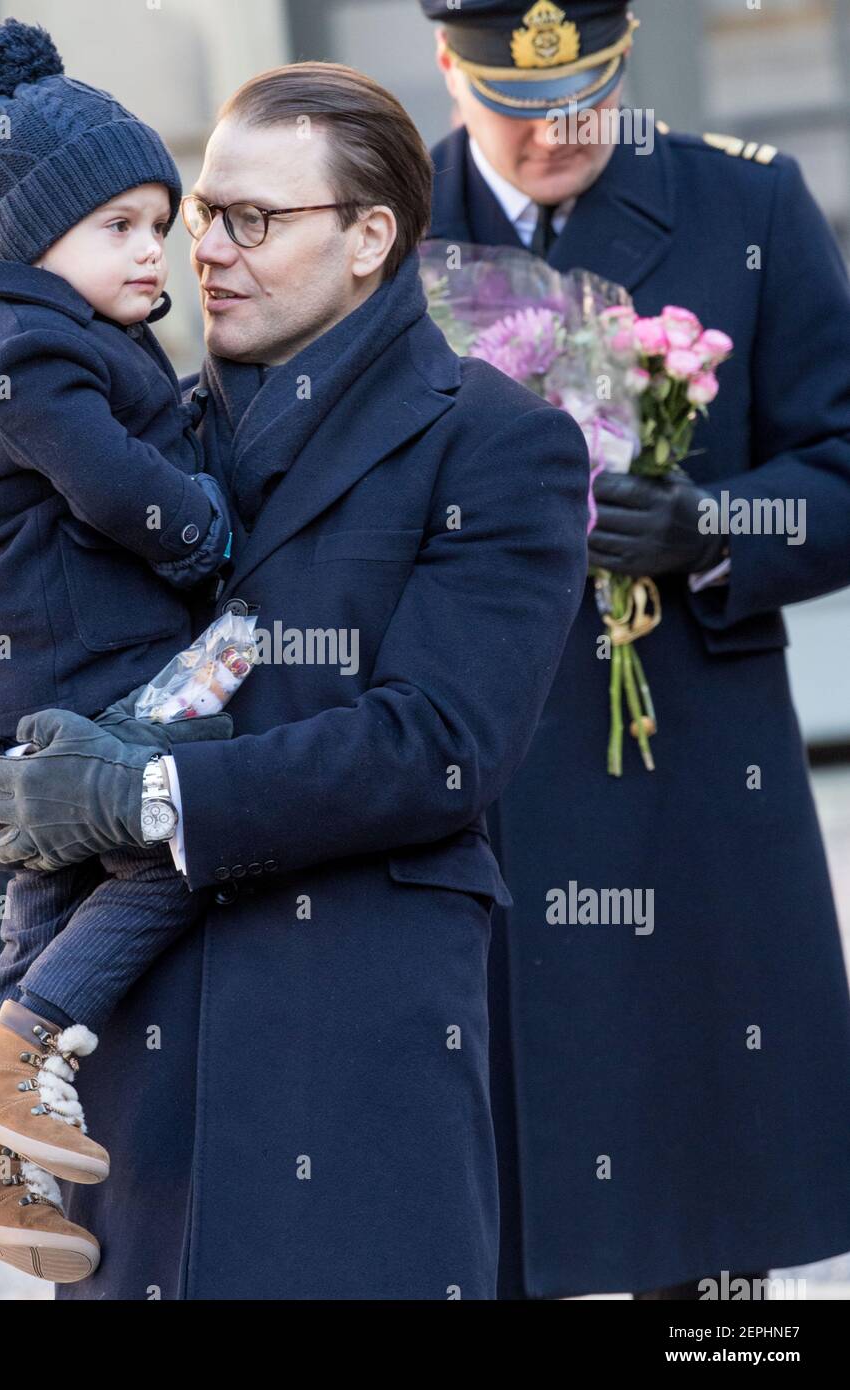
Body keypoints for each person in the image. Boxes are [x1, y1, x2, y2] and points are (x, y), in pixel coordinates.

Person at [0, 60, 590, 1299]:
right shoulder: (111, 427)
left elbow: (439, 744)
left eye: (250, 220)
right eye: (201, 214)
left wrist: (146, 794)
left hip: (349, 1054)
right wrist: (7, 791)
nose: (203, 248)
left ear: (370, 237)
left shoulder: (496, 439)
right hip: (130, 1077)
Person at [421, 0, 850, 1298]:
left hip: (686, 781)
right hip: (475, 782)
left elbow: (835, 462)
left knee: (705, 1206)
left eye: (585, 99)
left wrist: (714, 522)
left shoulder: (747, 206)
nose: (558, 131)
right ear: (447, 67)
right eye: (518, 103)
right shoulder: (376, 229)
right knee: (483, 1193)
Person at [0, 19, 241, 1283]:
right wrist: (206, 531)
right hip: (68, 683)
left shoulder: (33, 336)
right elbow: (119, 492)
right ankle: (30, 1041)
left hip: (35, 685)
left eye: (158, 222)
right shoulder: (28, 348)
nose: (149, 248)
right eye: (116, 226)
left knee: (45, 900)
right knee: (180, 838)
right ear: (32, 243)